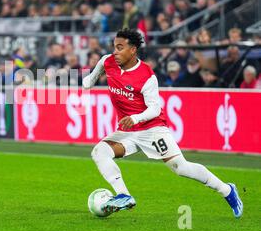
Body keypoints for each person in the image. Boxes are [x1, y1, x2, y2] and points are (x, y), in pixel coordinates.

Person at [82, 28, 243, 218]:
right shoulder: (108, 62)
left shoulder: (146, 75)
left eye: (120, 47)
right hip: (128, 132)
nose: (115, 52)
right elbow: (89, 80)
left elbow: (154, 109)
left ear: (133, 50)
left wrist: (134, 118)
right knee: (100, 151)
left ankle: (227, 191)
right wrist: (88, 81)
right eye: (114, 47)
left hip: (152, 129)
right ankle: (124, 195)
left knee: (181, 168)